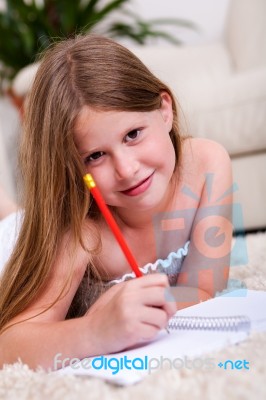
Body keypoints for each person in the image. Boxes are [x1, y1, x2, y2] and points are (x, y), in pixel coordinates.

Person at [0, 34, 233, 370]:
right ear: (72, 168)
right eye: (95, 155)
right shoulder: (81, 232)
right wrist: (94, 331)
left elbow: (203, 289)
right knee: (12, 225)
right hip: (15, 245)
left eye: (133, 134)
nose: (126, 170)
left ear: (164, 110)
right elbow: (10, 345)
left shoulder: (208, 164)